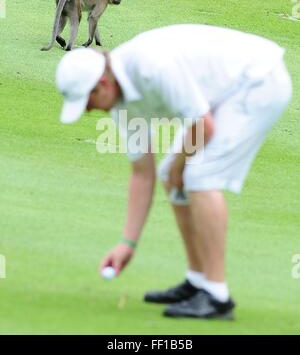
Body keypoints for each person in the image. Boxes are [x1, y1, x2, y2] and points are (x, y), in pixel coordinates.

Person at [55, 24, 292, 319]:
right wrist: (127, 243)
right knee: (172, 174)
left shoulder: (150, 66)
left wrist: (182, 164)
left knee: (199, 176)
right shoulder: (120, 105)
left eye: (87, 102)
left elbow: (204, 126)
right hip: (226, 91)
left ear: (102, 84)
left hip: (258, 81)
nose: (89, 111)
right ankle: (198, 281)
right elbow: (142, 173)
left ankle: (217, 296)